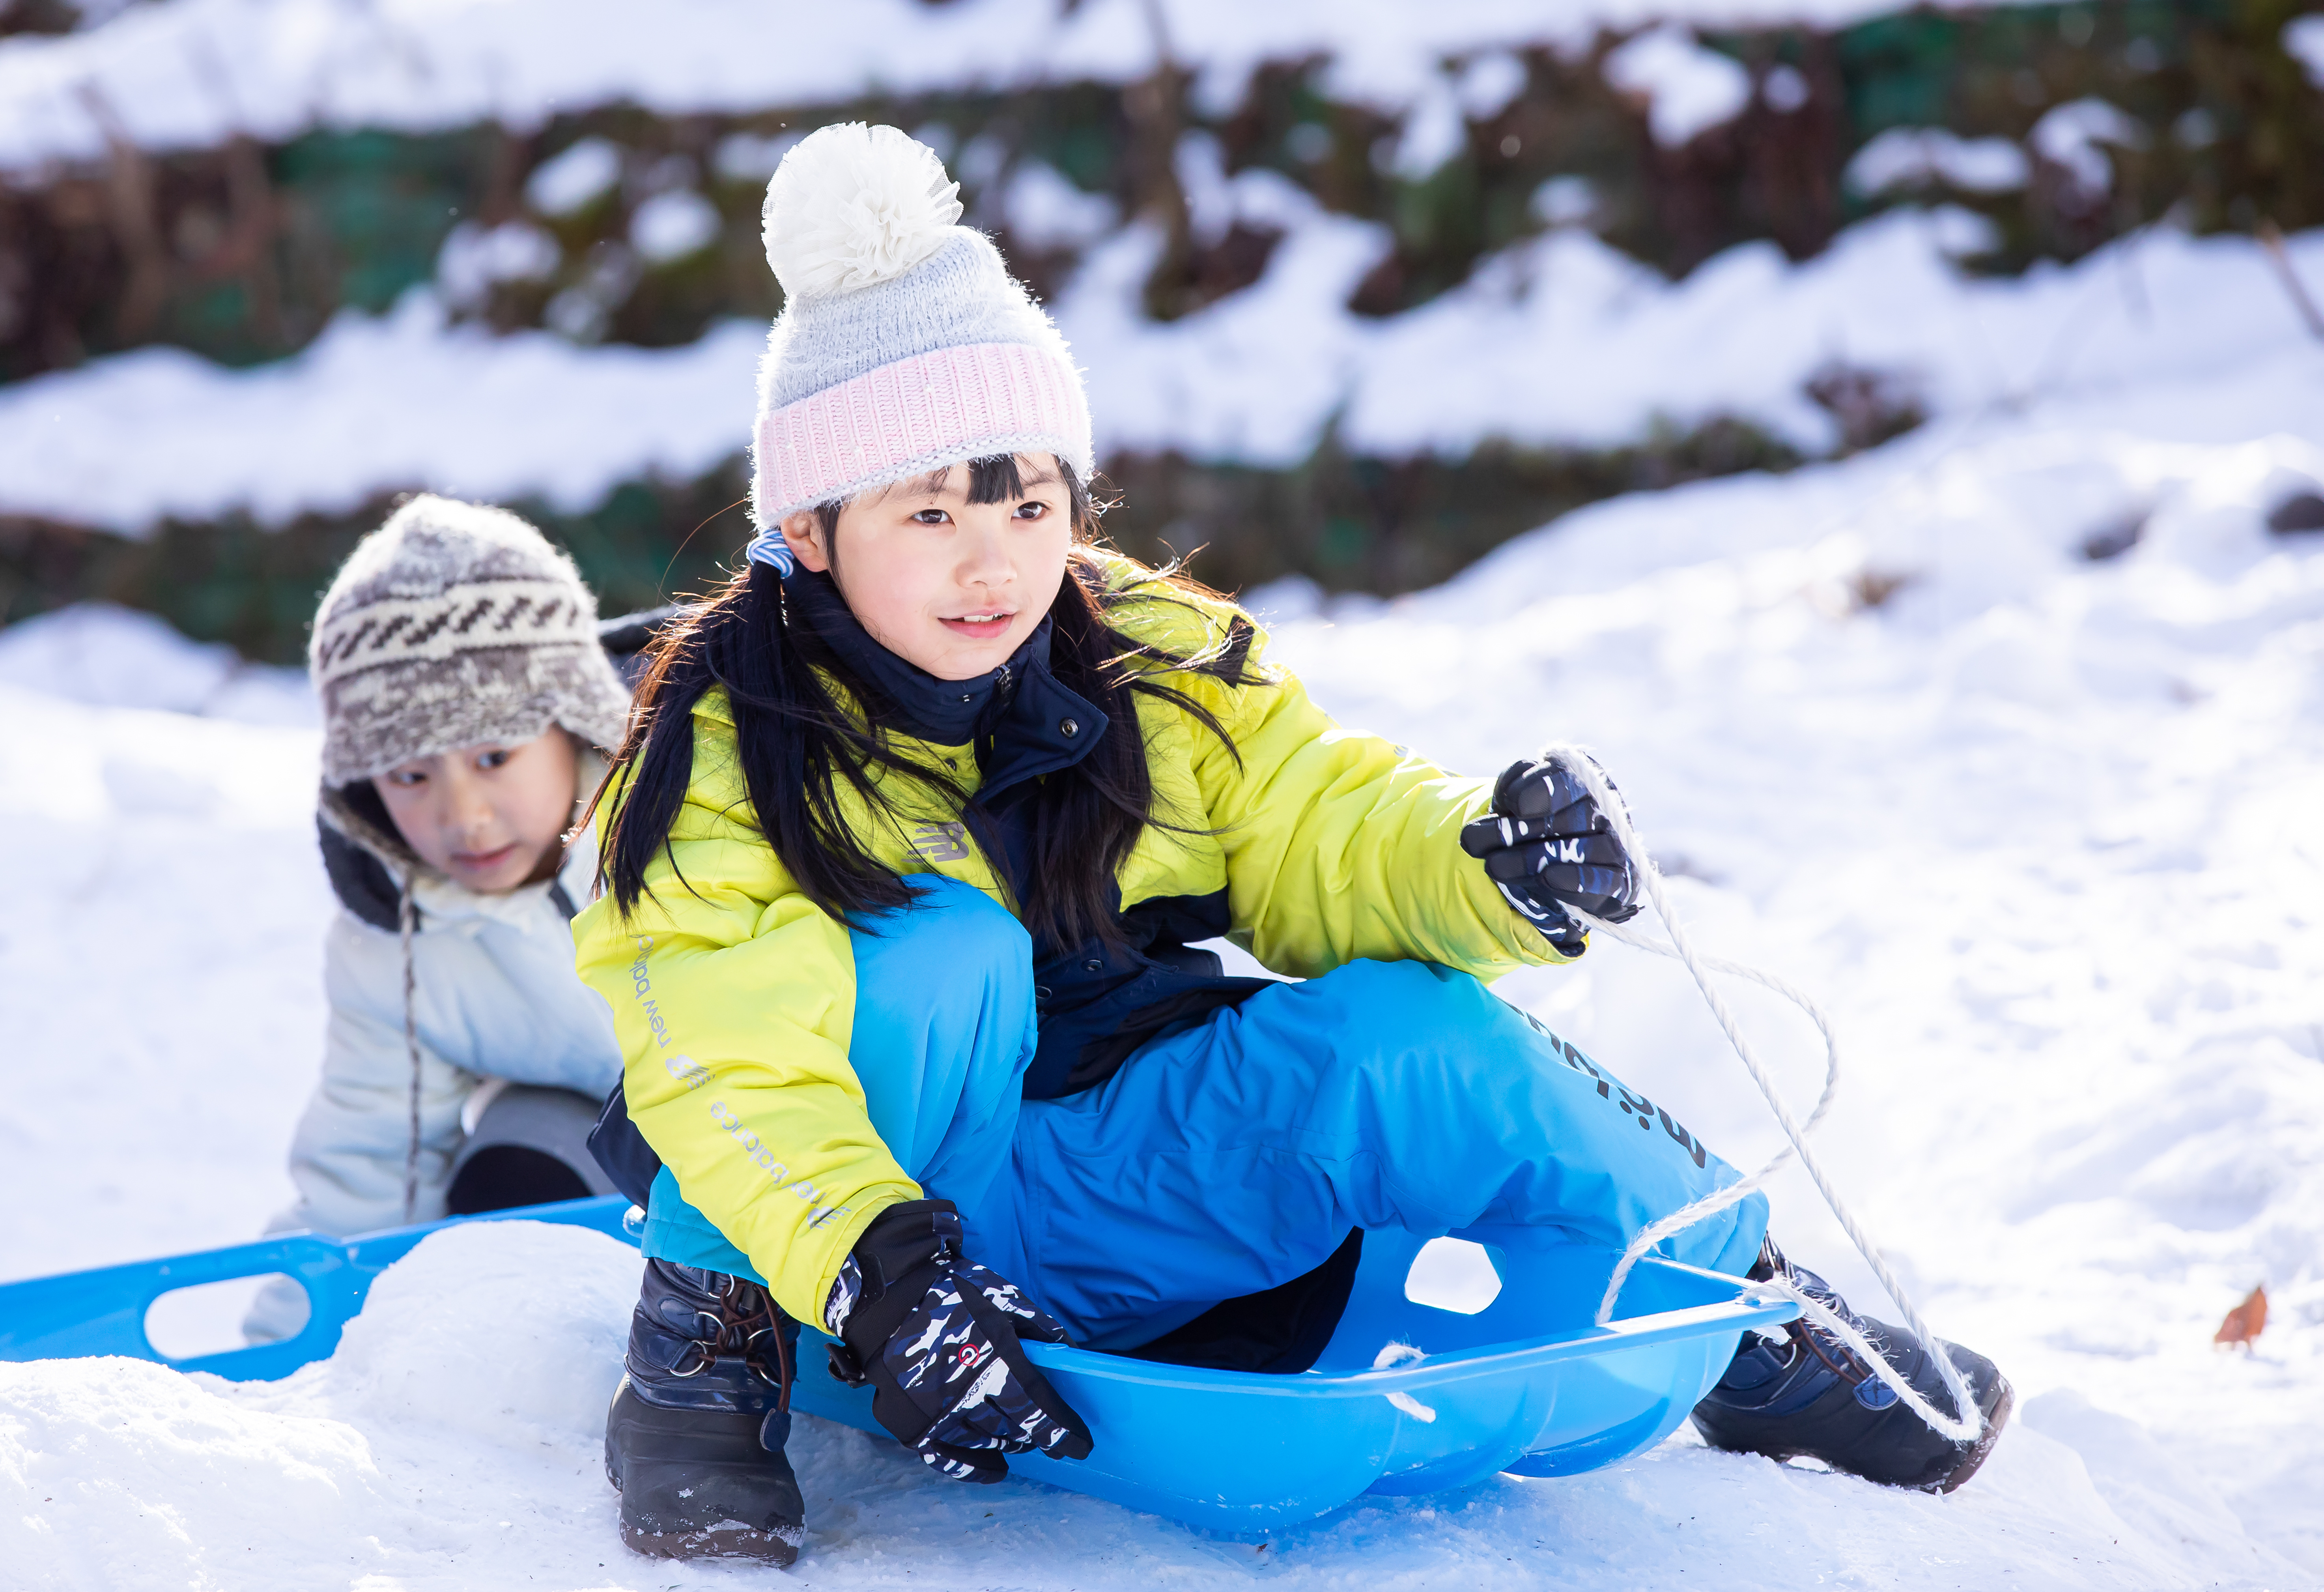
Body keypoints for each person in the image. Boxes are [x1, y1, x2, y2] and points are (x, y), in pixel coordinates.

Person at [573, 125, 2012, 1566]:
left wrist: (1483, 859)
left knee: (1410, 1032)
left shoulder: (1146, 662)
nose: (991, 560)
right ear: (811, 533)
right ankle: (703, 1363)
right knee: (940, 951)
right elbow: (723, 1050)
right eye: (928, 511)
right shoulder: (727, 745)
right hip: (850, 1236)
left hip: (1119, 1174)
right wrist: (880, 1271)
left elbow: (1322, 821)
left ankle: (1745, 1319)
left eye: (1027, 502)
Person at [244, 495, 645, 1342]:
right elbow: (370, 1160)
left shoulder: (685, 811)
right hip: (612, 1142)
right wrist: (290, 1357)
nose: (463, 814)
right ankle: (566, 1356)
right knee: (504, 1180)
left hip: (812, 1113)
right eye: (411, 775)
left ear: (571, 722)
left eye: (493, 756)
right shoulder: (392, 936)